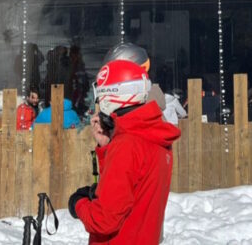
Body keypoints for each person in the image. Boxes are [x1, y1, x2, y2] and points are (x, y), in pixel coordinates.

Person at [68, 59, 180, 244]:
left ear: (111, 95)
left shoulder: (127, 144)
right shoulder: (154, 136)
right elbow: (132, 190)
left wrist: (78, 203)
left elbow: (103, 221)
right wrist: (106, 147)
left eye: (100, 93)